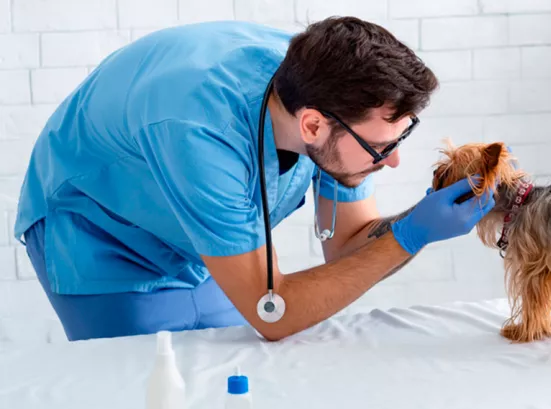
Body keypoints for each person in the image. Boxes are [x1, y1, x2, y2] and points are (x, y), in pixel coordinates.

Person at [13, 16, 497, 342]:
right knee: (151, 390)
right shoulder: (200, 130)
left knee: (228, 377)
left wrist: (422, 219)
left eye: (398, 141)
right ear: (312, 125)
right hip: (98, 235)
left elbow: (349, 243)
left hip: (189, 238)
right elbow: (274, 313)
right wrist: (410, 237)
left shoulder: (329, 96)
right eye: (381, 147)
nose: (390, 162)